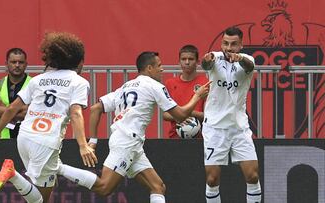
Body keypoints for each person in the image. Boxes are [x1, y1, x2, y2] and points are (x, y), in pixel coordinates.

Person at [0, 32, 98, 203]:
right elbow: (75, 112)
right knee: (40, 201)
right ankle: (12, 174)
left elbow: (11, 109)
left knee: (47, 186)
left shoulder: (38, 80)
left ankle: (13, 173)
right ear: (80, 61)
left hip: (24, 137)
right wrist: (83, 145)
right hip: (45, 141)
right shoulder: (79, 82)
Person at [87, 51, 211, 203]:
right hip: (127, 142)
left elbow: (95, 109)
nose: (162, 69)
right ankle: (61, 169)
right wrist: (197, 96)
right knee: (105, 187)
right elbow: (180, 115)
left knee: (158, 187)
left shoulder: (125, 87)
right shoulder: (155, 86)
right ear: (149, 68)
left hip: (131, 143)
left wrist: (93, 140)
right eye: (159, 66)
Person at [200, 26, 261, 203]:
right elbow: (206, 64)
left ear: (241, 45)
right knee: (212, 179)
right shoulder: (215, 57)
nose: (229, 47)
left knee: (253, 176)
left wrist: (239, 58)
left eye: (233, 44)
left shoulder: (247, 60)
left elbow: (248, 65)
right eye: (225, 43)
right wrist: (207, 60)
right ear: (221, 43)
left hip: (239, 128)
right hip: (214, 128)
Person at [163, 45, 208, 138]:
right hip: (175, 137)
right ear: (179, 62)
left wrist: (186, 114)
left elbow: (210, 115)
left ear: (197, 62)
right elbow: (165, 115)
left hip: (200, 138)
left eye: (191, 59)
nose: (187, 62)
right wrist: (181, 116)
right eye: (183, 59)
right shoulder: (170, 83)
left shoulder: (205, 83)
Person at [0, 48, 31, 139]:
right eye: (13, 62)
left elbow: (31, 113)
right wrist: (19, 110)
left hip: (28, 138)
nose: (17, 65)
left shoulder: (34, 84)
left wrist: (4, 107)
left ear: (26, 64)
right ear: (6, 64)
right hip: (3, 138)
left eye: (21, 62)